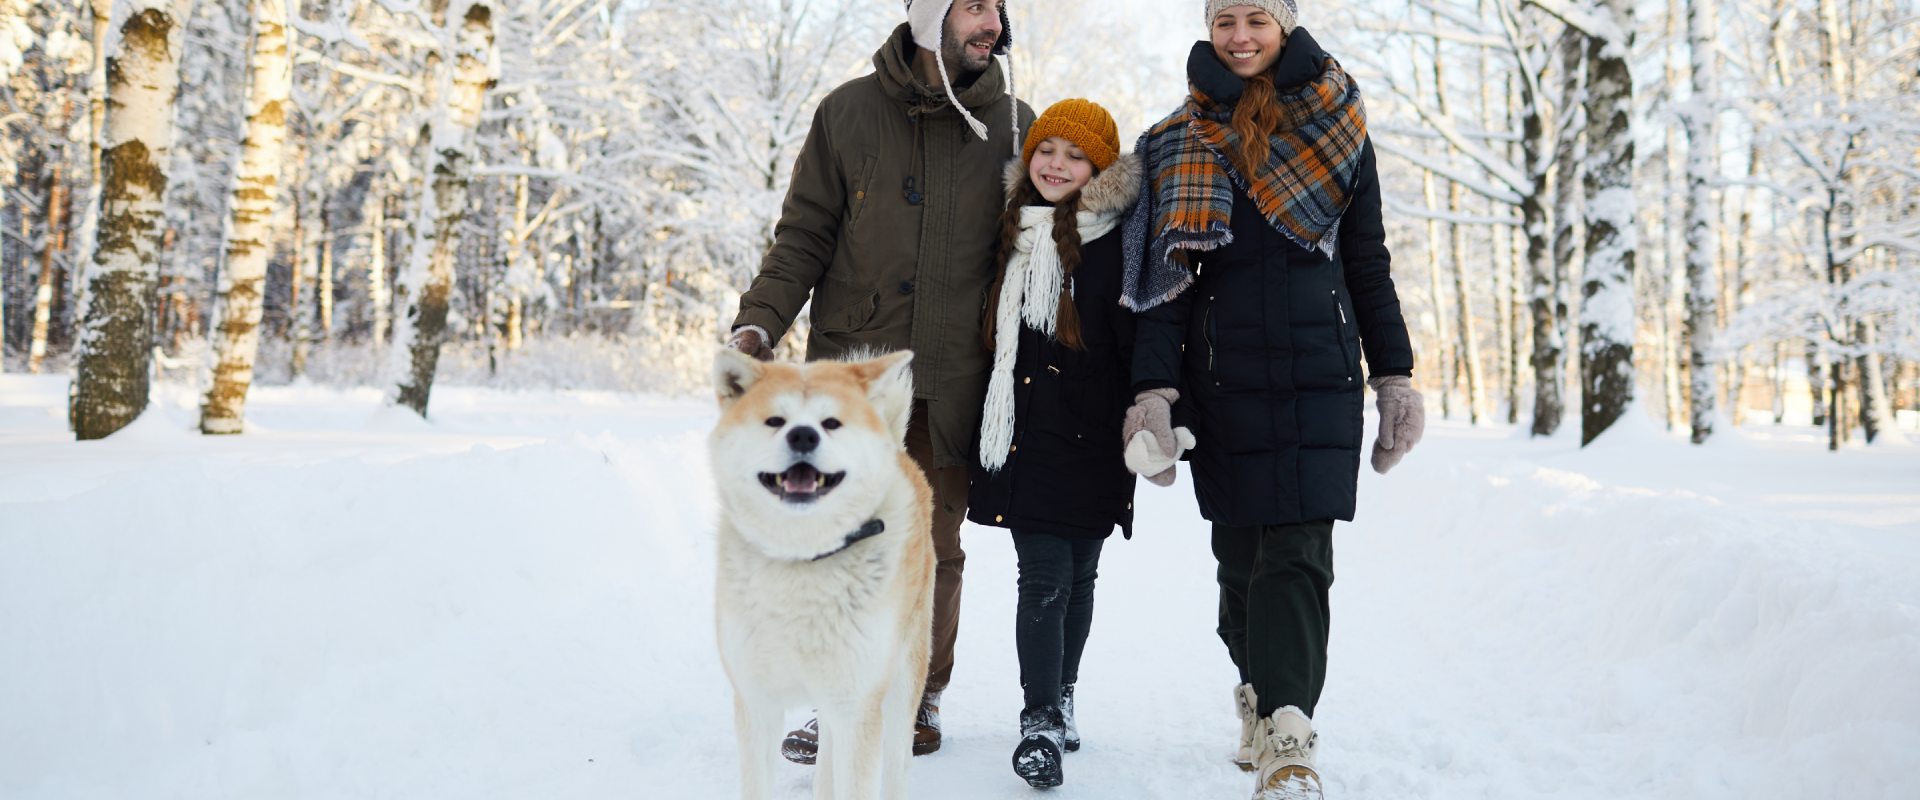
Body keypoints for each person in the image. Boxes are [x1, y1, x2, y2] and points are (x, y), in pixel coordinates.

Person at [1120, 2, 1427, 798]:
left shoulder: (1340, 126)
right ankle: (1257, 694)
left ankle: (1291, 733)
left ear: (1285, 26)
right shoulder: (1174, 141)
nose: (1240, 35)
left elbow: (1369, 262)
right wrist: (1154, 391)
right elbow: (1164, 289)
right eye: (1226, 19)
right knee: (1241, 568)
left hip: (1323, 374)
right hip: (1222, 386)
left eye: (1258, 17)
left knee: (1299, 558)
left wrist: (1393, 372)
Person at [724, 0, 1033, 761]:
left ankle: (918, 693)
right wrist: (760, 321)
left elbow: (1042, 245)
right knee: (838, 541)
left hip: (956, 376)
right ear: (930, 16)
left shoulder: (1017, 125)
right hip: (855, 382)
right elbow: (803, 235)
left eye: (996, 6)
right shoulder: (846, 114)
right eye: (971, 7)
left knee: (933, 545)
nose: (989, 21)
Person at [965, 99, 1146, 789]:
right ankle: (1039, 719)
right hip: (1027, 434)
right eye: (1047, 151)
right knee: (1043, 575)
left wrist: (1140, 415)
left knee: (1080, 577)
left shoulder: (1119, 240)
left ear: (1097, 170)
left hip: (1094, 435)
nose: (1057, 165)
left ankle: (1065, 695)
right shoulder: (1007, 231)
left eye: (1075, 157)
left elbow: (1137, 338)